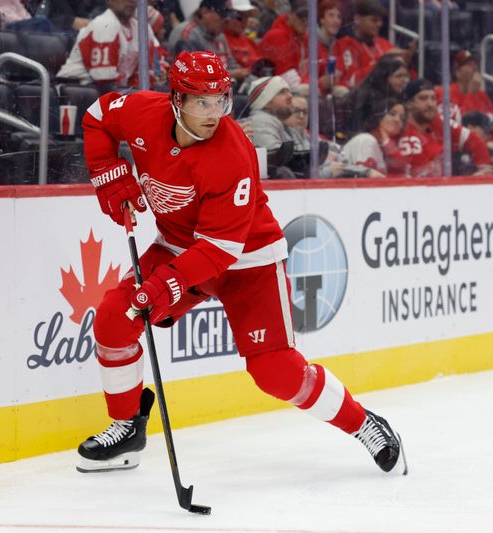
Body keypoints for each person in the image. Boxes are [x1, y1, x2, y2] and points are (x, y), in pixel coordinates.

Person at [76, 50, 407, 475]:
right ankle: (126, 429)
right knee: (112, 319)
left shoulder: (232, 153)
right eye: (201, 102)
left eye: (221, 100)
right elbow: (98, 114)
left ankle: (365, 425)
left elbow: (219, 251)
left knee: (276, 372)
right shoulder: (142, 111)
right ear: (176, 99)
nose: (214, 113)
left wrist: (166, 286)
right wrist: (107, 168)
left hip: (248, 260)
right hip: (179, 247)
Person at [56, 0, 163, 88]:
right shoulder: (105, 24)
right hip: (75, 89)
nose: (132, 1)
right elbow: (104, 80)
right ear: (109, 1)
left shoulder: (141, 27)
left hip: (108, 89)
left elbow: (157, 66)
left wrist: (157, 74)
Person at [398, 78, 492, 177]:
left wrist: (484, 170)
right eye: (423, 98)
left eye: (433, 98)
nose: (430, 104)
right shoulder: (403, 132)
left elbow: (475, 142)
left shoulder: (438, 121)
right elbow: (423, 178)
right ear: (408, 104)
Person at [335, 0, 414, 91]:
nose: (379, 24)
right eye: (374, 20)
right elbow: (351, 80)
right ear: (357, 19)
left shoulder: (383, 43)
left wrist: (407, 59)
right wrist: (383, 62)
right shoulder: (344, 44)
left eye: (380, 21)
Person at [347, 53, 409, 136]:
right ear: (384, 77)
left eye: (405, 76)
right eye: (399, 76)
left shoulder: (396, 95)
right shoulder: (367, 96)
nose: (404, 80)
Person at [341, 98, 406, 176]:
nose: (397, 120)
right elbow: (363, 180)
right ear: (378, 115)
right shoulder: (366, 140)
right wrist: (386, 142)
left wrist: (386, 141)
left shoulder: (382, 145)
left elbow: (401, 167)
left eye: (402, 118)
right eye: (391, 114)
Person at [435, 50, 493, 123]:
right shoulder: (444, 92)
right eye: (469, 64)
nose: (475, 67)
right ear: (457, 72)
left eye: (476, 64)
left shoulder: (481, 94)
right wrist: (470, 93)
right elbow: (457, 125)